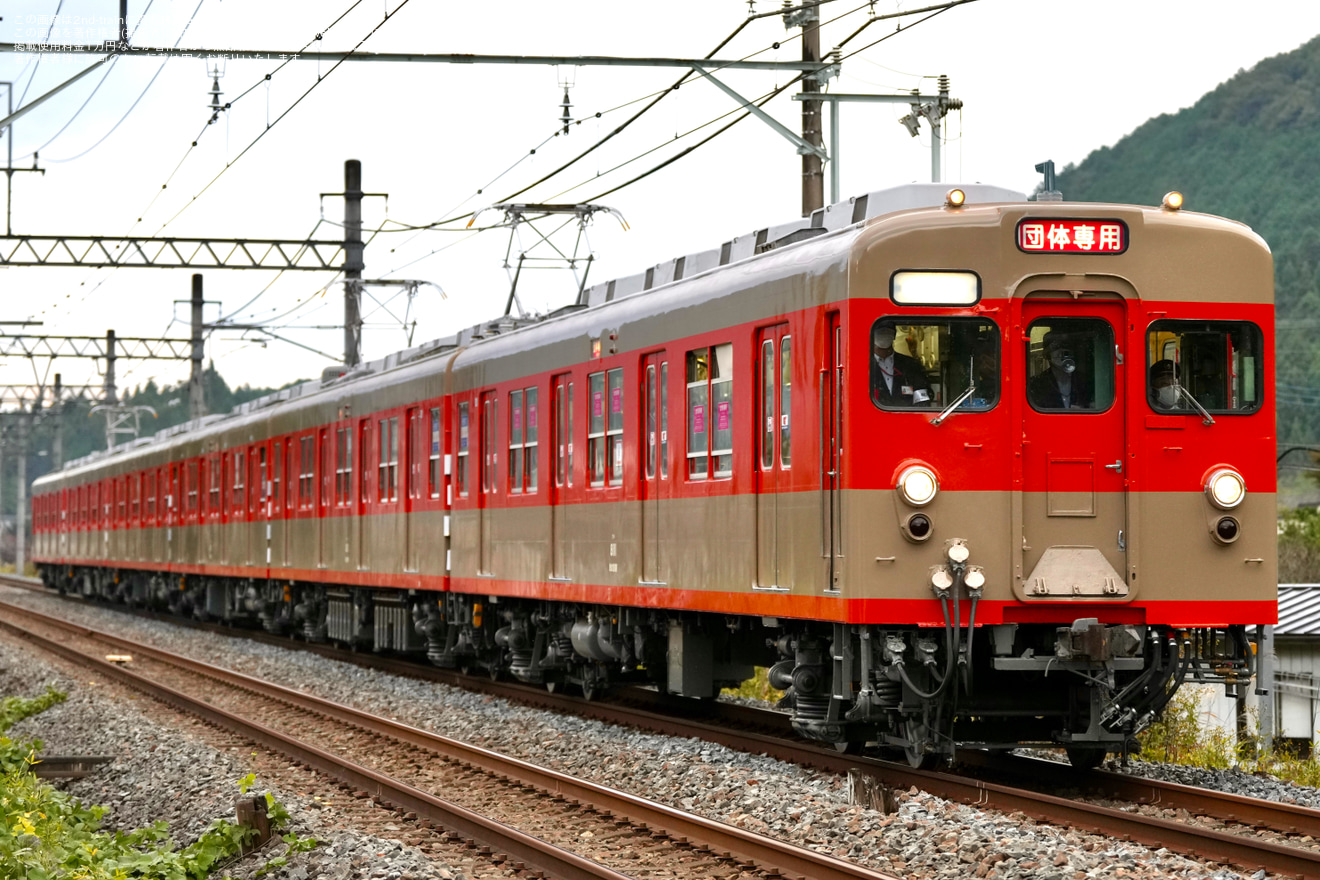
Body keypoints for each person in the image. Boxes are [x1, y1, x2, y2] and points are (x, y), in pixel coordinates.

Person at [870, 323, 933, 407]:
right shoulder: (862, 366)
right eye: (880, 332)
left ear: (894, 335)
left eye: (888, 331)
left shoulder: (911, 365)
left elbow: (923, 400)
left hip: (906, 418)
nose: (884, 335)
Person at [1028, 331, 1093, 410]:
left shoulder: (1083, 380)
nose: (1062, 352)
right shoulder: (1037, 383)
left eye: (1066, 346)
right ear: (1047, 354)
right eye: (1055, 347)